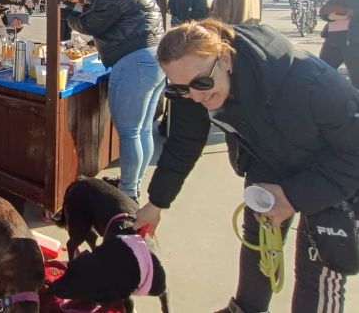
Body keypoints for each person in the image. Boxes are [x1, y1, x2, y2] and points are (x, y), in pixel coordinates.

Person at [134, 19, 359, 313]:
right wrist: (157, 202)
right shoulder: (191, 84)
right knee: (259, 244)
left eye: (203, 84)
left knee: (317, 267)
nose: (197, 97)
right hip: (268, 159)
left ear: (225, 58)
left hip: (335, 173)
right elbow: (183, 144)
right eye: (180, 90)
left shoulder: (307, 82)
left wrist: (293, 197)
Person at [63, 0, 165, 200]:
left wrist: (66, 12)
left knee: (131, 132)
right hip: (153, 60)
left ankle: (128, 193)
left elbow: (91, 24)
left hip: (133, 61)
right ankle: (133, 182)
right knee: (142, 130)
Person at [319, 0, 359, 88]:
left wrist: (347, 9)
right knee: (321, 74)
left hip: (354, 41)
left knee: (356, 80)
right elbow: (323, 10)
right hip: (333, 38)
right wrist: (329, 16)